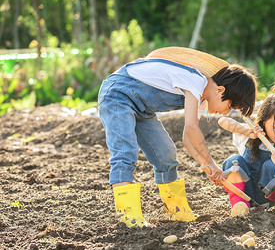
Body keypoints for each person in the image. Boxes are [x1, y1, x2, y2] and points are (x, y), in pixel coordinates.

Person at [98, 46, 257, 227]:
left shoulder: (201, 98)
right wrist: (212, 163)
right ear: (220, 90)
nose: (224, 113)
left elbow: (187, 140)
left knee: (166, 153)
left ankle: (177, 211)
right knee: (125, 153)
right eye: (229, 107)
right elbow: (191, 128)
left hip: (141, 108)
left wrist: (207, 167)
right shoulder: (196, 80)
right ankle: (129, 219)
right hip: (118, 94)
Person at [218, 80, 275, 215]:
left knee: (271, 165)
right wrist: (247, 131)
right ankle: (240, 207)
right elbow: (222, 121)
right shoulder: (252, 134)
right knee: (234, 160)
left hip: (269, 195)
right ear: (264, 120)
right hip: (245, 191)